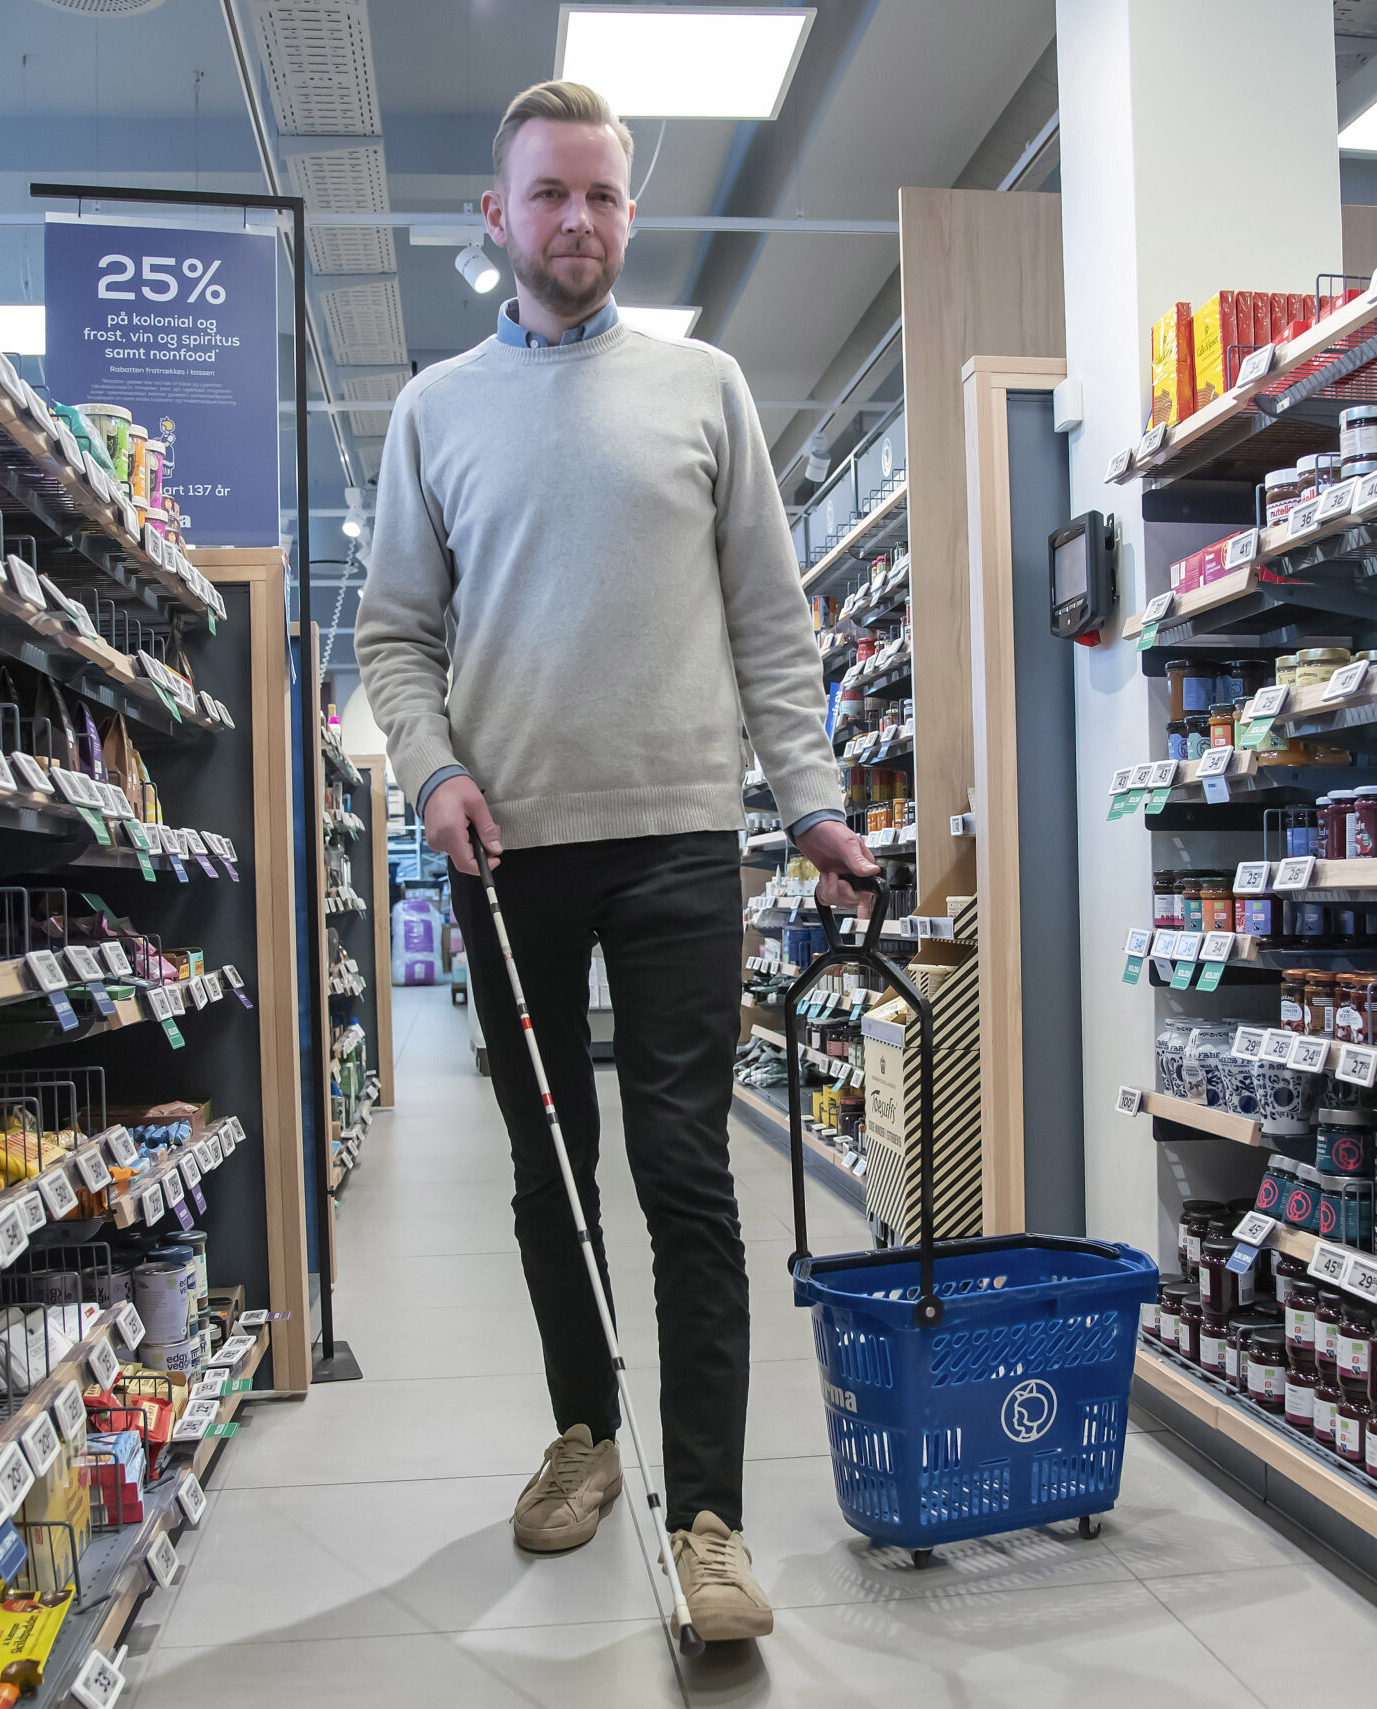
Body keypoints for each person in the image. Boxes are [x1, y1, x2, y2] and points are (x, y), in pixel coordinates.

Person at [354, 78, 879, 1643]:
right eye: (549, 196)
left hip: (676, 847)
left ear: (626, 216)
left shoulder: (705, 387)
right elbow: (393, 633)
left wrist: (815, 803)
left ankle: (708, 1512)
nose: (576, 220)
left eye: (600, 195)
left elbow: (775, 632)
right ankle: (585, 1428)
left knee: (686, 1174)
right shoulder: (433, 410)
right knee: (547, 1170)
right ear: (495, 221)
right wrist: (433, 767)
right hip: (505, 854)